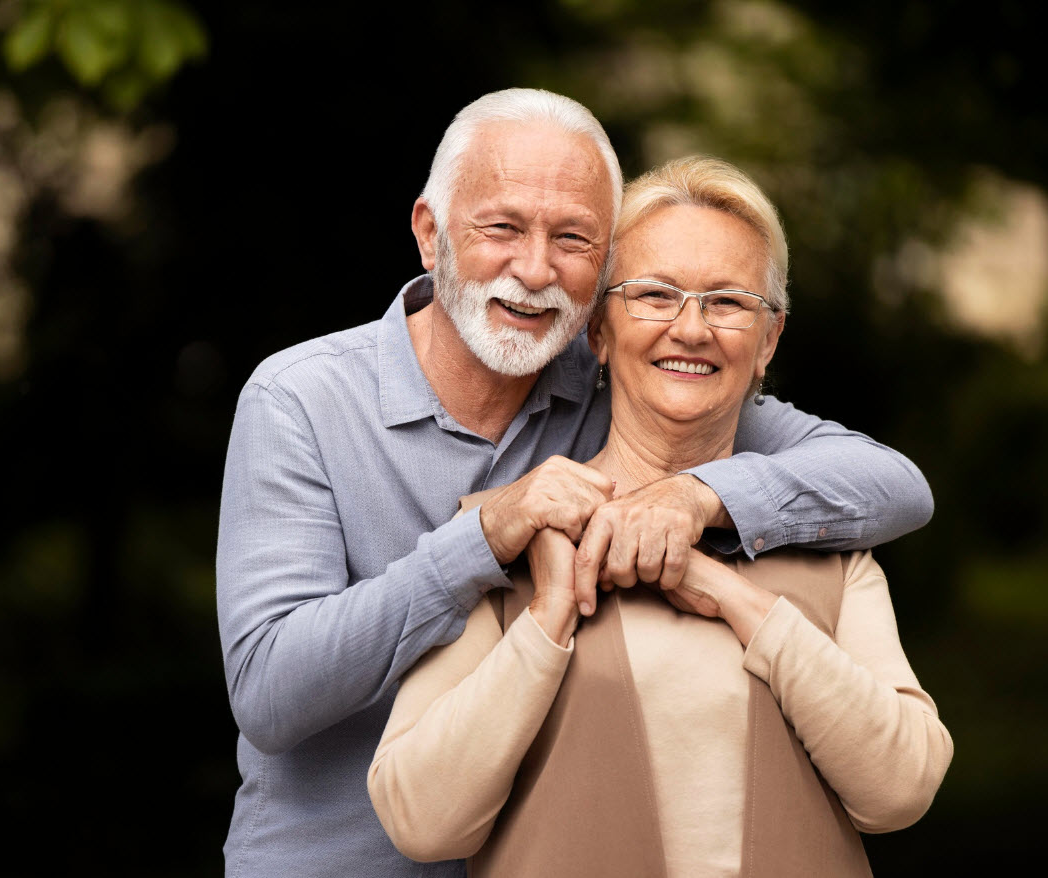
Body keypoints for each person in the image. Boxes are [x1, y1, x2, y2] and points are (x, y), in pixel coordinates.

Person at [216, 88, 934, 878]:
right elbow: (270, 694)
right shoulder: (300, 400)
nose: (533, 268)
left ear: (599, 284)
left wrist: (698, 498)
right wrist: (482, 541)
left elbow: (892, 485)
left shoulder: (625, 375)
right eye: (501, 227)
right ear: (430, 233)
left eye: (573, 239)